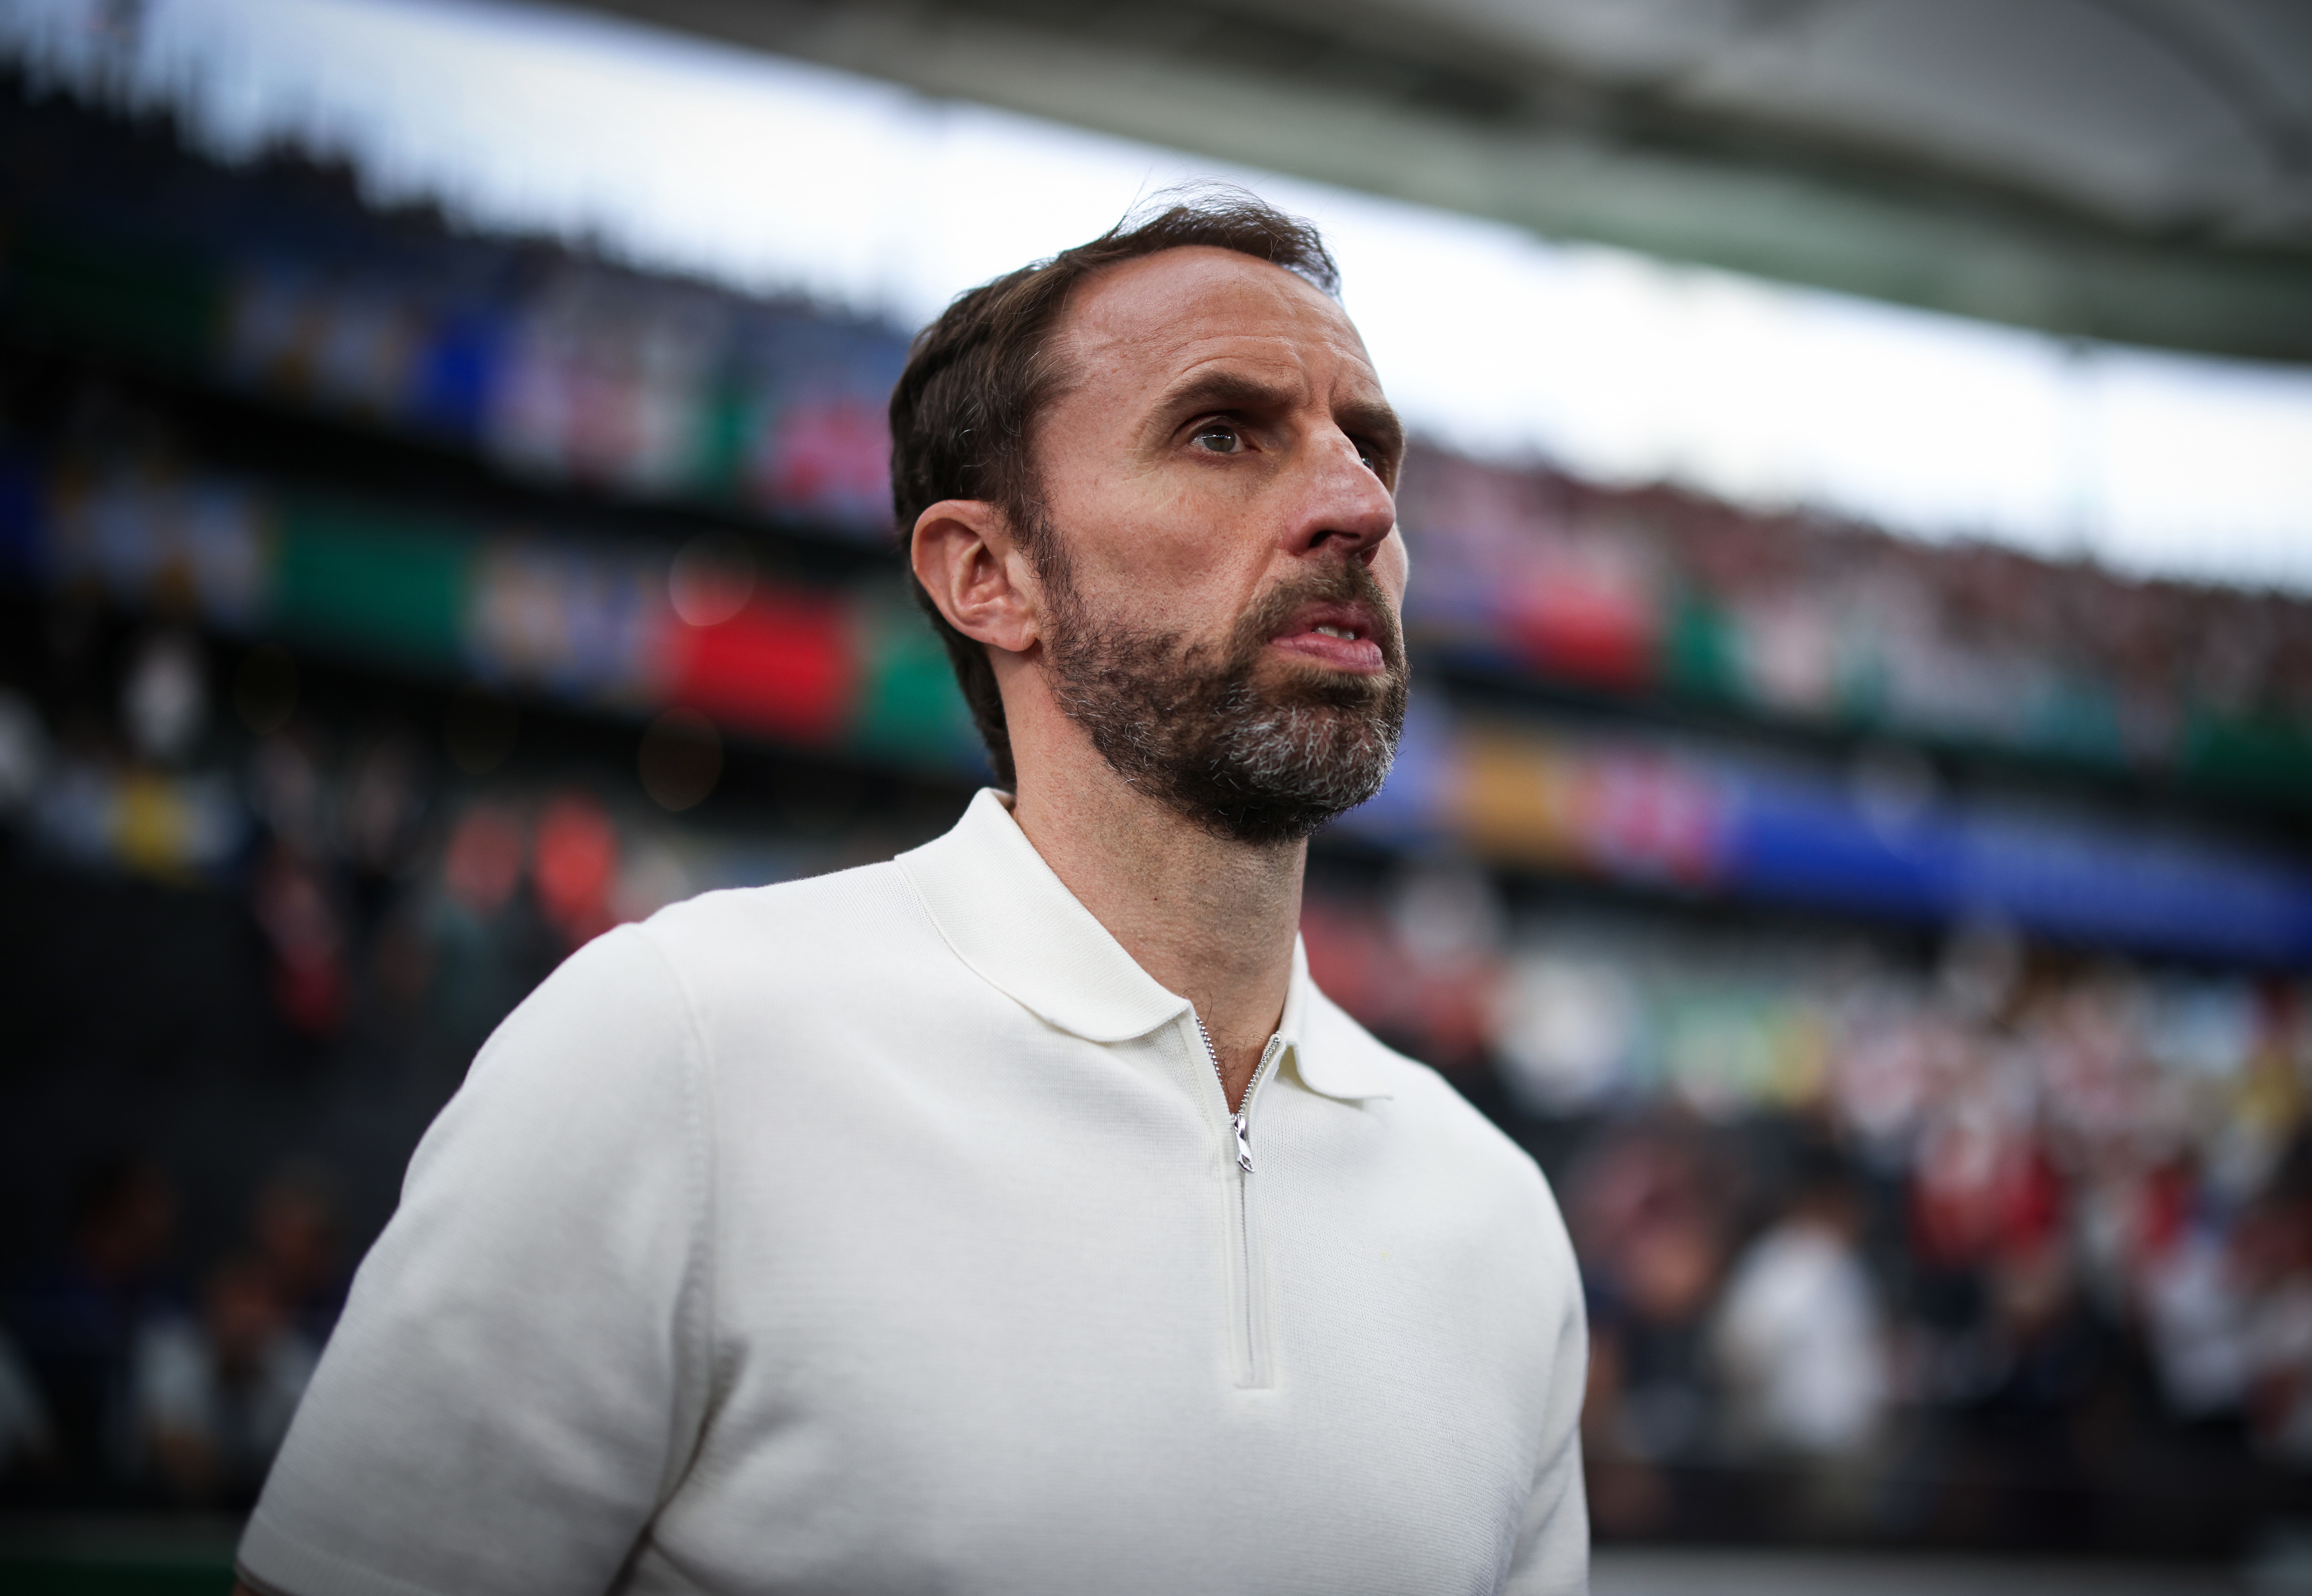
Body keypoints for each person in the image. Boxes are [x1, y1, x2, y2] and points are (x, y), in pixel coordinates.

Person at [233, 188, 1587, 1595]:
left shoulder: (1492, 1216)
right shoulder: (680, 1047)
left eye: (1367, 447)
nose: (1358, 506)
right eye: (1220, 433)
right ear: (988, 574)